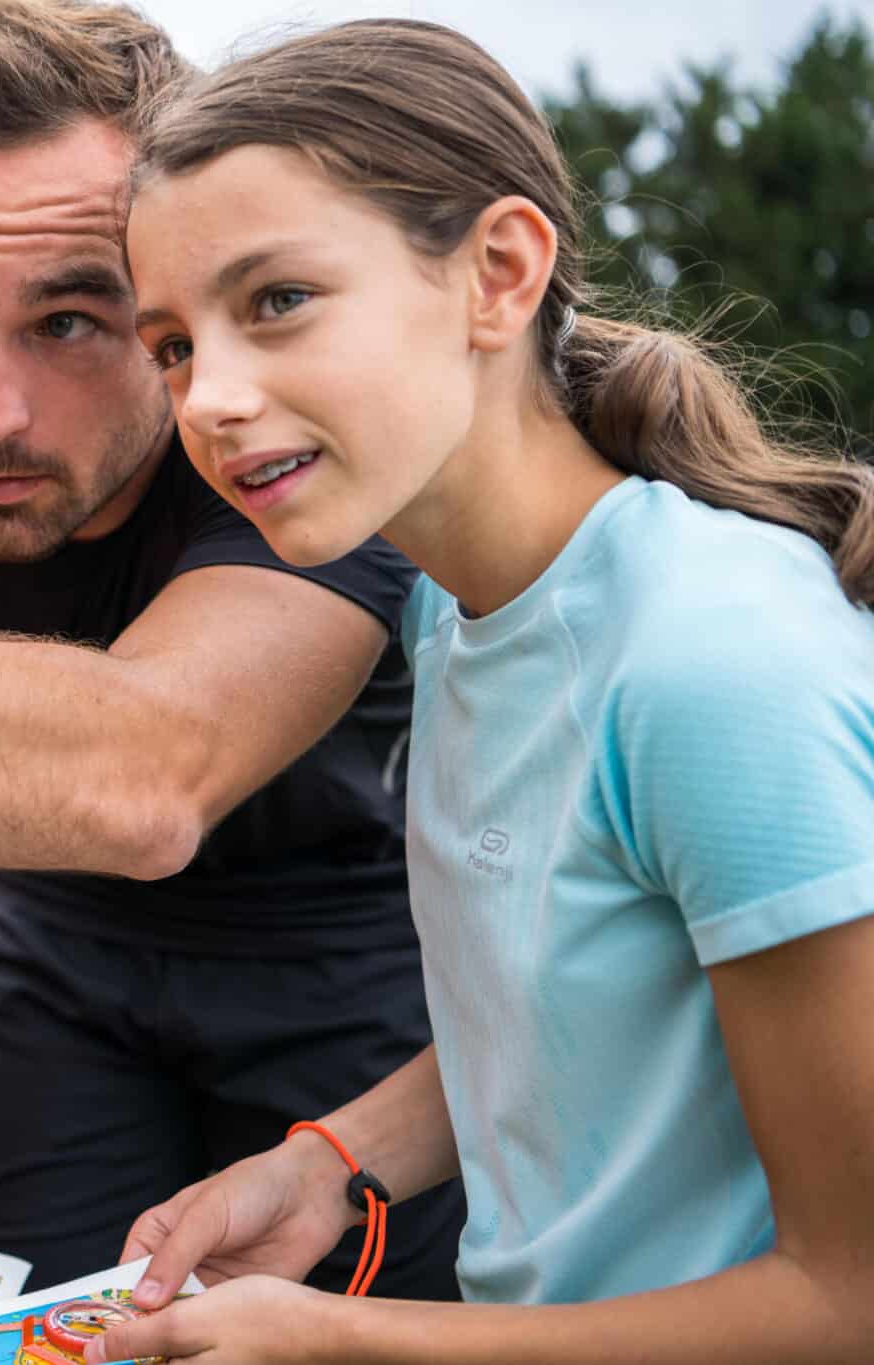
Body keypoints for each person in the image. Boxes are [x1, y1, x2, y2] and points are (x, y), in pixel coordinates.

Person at [72, 18, 874, 1363]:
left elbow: (848, 1299)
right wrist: (330, 1161)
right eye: (169, 344)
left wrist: (353, 1341)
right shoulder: (452, 604)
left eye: (276, 301)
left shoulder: (715, 665)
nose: (208, 397)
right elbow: (593, 1008)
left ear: (497, 274)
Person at [0, 0, 462, 1298]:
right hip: (45, 936)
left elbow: (150, 776)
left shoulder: (293, 432)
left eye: (71, 319)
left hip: (357, 932)